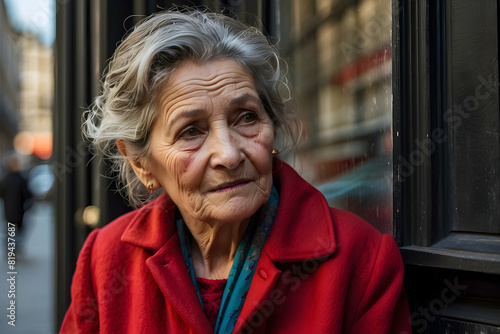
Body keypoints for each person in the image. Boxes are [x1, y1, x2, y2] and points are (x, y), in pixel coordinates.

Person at [61, 9, 411, 334]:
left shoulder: (360, 258)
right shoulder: (104, 261)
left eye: (246, 117)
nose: (228, 155)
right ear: (142, 164)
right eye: (191, 131)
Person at [0, 153, 32, 248]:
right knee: (18, 232)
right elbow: (27, 195)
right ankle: (14, 248)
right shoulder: (21, 179)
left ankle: (10, 250)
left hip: (8, 212)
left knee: (10, 231)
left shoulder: (5, 180)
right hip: (19, 211)